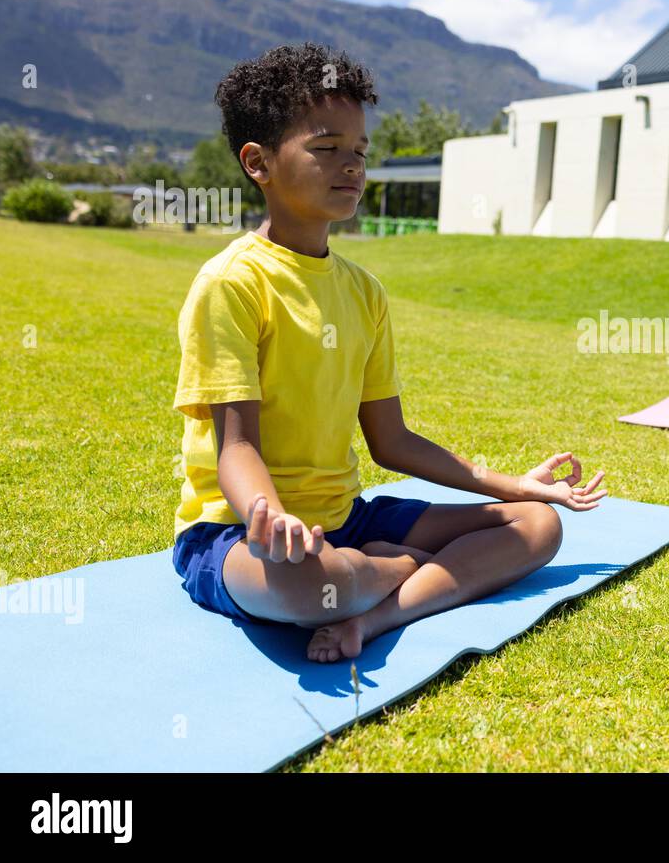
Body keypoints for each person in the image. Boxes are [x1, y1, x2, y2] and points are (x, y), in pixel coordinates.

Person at [171, 43, 606, 662]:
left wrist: (518, 486)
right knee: (310, 587)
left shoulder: (363, 291)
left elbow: (392, 441)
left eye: (359, 152)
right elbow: (237, 447)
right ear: (258, 162)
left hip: (347, 519)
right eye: (325, 149)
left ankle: (375, 613)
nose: (350, 166)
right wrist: (269, 517)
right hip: (239, 534)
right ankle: (400, 569)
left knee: (538, 526)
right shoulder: (232, 283)